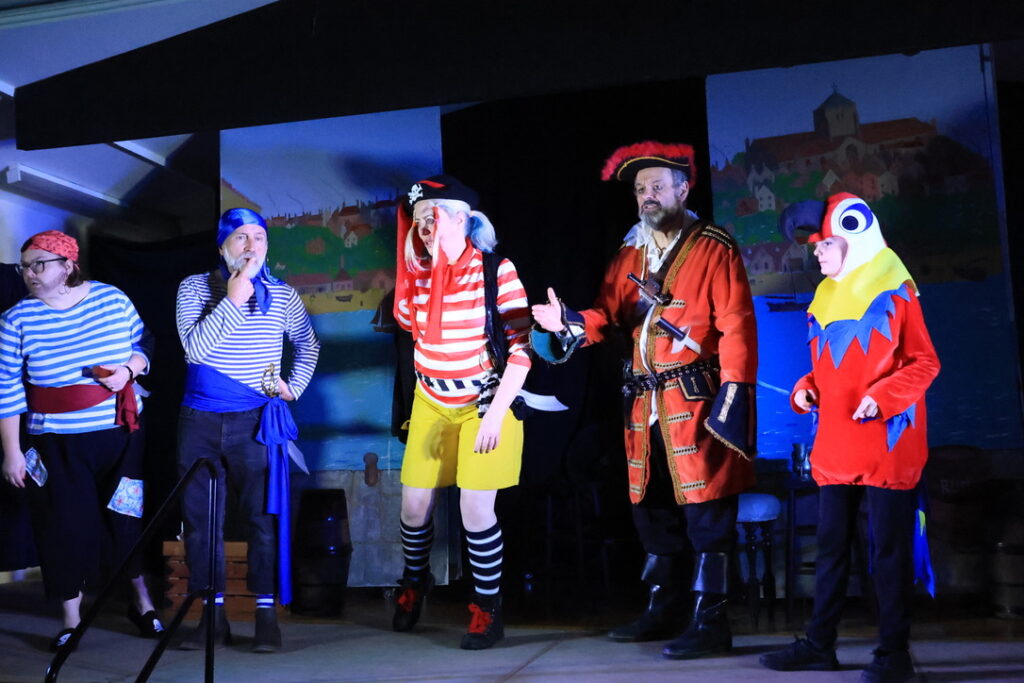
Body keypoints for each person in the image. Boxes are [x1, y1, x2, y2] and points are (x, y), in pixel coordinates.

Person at [532, 142, 758, 659]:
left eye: (657, 186)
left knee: (707, 513)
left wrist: (735, 395)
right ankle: (663, 608)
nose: (647, 196)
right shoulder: (628, 255)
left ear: (683, 189)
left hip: (698, 401)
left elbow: (737, 325)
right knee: (652, 510)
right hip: (644, 405)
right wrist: (567, 321)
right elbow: (605, 317)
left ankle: (712, 621)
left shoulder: (713, 246)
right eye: (640, 189)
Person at [760, 194, 940, 683]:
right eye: (816, 245)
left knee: (889, 552)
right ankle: (820, 644)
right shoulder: (824, 298)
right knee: (831, 547)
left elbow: (925, 362)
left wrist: (882, 397)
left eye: (825, 243)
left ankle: (894, 653)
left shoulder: (896, 290)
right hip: (837, 444)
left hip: (886, 441)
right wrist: (805, 388)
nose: (816, 252)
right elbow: (826, 370)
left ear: (853, 240)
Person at [0, 230, 163, 651]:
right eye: (24, 266)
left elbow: (143, 343)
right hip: (54, 442)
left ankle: (142, 602)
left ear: (68, 265)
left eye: (39, 264)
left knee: (124, 519)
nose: (30, 273)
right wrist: (12, 452)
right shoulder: (16, 319)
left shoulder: (111, 298)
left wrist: (128, 370)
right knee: (62, 526)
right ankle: (71, 620)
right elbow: (7, 389)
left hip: (120, 435)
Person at [390, 174, 531, 650]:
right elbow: (411, 329)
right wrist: (414, 268)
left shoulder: (496, 270)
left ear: (461, 219)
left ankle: (487, 608)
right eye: (418, 221)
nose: (425, 227)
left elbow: (522, 349)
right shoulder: (418, 276)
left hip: (484, 402)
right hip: (432, 400)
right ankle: (415, 582)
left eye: (432, 217)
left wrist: (495, 415)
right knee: (413, 506)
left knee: (474, 508)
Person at [175, 208, 320, 653]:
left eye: (259, 237)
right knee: (201, 523)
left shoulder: (284, 295)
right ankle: (212, 617)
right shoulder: (194, 287)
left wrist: (294, 387)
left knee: (262, 518)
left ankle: (265, 616)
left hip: (255, 421)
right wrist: (234, 298)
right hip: (199, 421)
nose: (251, 246)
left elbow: (308, 345)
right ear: (223, 245)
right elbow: (195, 351)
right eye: (241, 237)